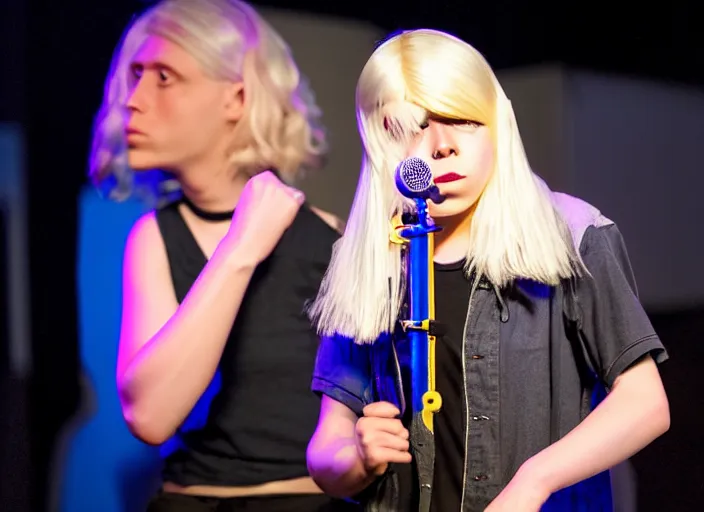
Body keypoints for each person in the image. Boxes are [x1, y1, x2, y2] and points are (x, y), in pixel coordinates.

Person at [305, 29, 671, 512]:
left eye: (462, 119)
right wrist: (356, 456)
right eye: (414, 125)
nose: (441, 146)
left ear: (496, 122)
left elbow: (646, 404)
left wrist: (533, 482)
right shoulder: (368, 257)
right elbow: (325, 450)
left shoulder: (577, 235)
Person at [88, 1, 358, 510]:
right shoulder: (153, 237)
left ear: (236, 97)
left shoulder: (332, 240)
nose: (134, 100)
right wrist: (241, 247)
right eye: (135, 75)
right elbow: (150, 415)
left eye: (164, 77)